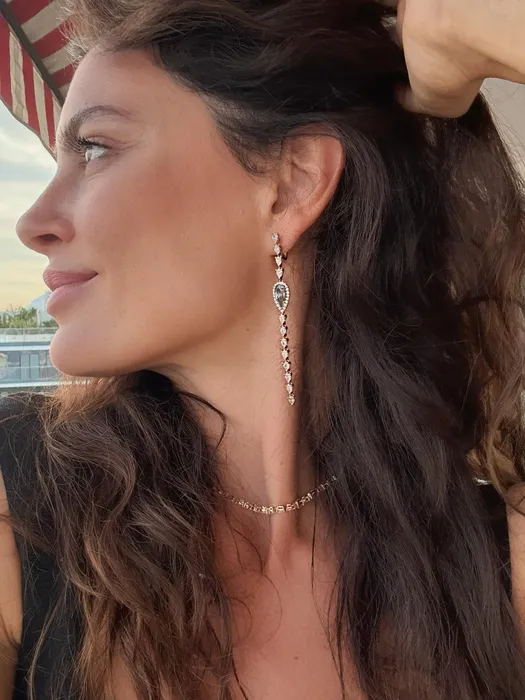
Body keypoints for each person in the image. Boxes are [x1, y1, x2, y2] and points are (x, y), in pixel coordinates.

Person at [1, 0, 525, 698]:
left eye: (95, 148)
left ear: (292, 184)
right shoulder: (22, 510)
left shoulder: (491, 565)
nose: (32, 222)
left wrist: (470, 21)